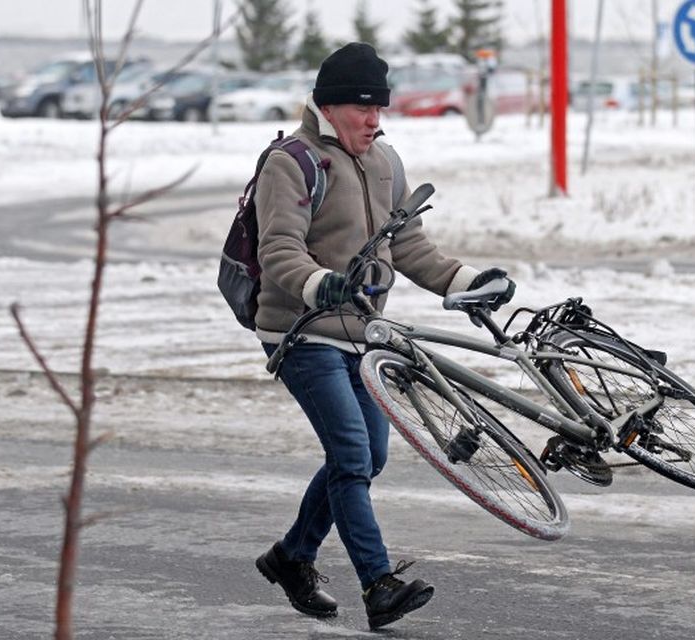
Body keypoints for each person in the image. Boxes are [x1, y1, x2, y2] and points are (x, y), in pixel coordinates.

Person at [252, 42, 515, 630]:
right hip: (302, 332)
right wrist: (320, 284)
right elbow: (279, 250)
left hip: (364, 334)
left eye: (380, 109)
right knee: (350, 452)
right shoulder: (291, 162)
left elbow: (410, 247)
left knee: (369, 455)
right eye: (362, 109)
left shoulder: (385, 161)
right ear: (329, 108)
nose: (375, 120)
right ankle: (378, 583)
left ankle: (292, 557)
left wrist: (466, 280)